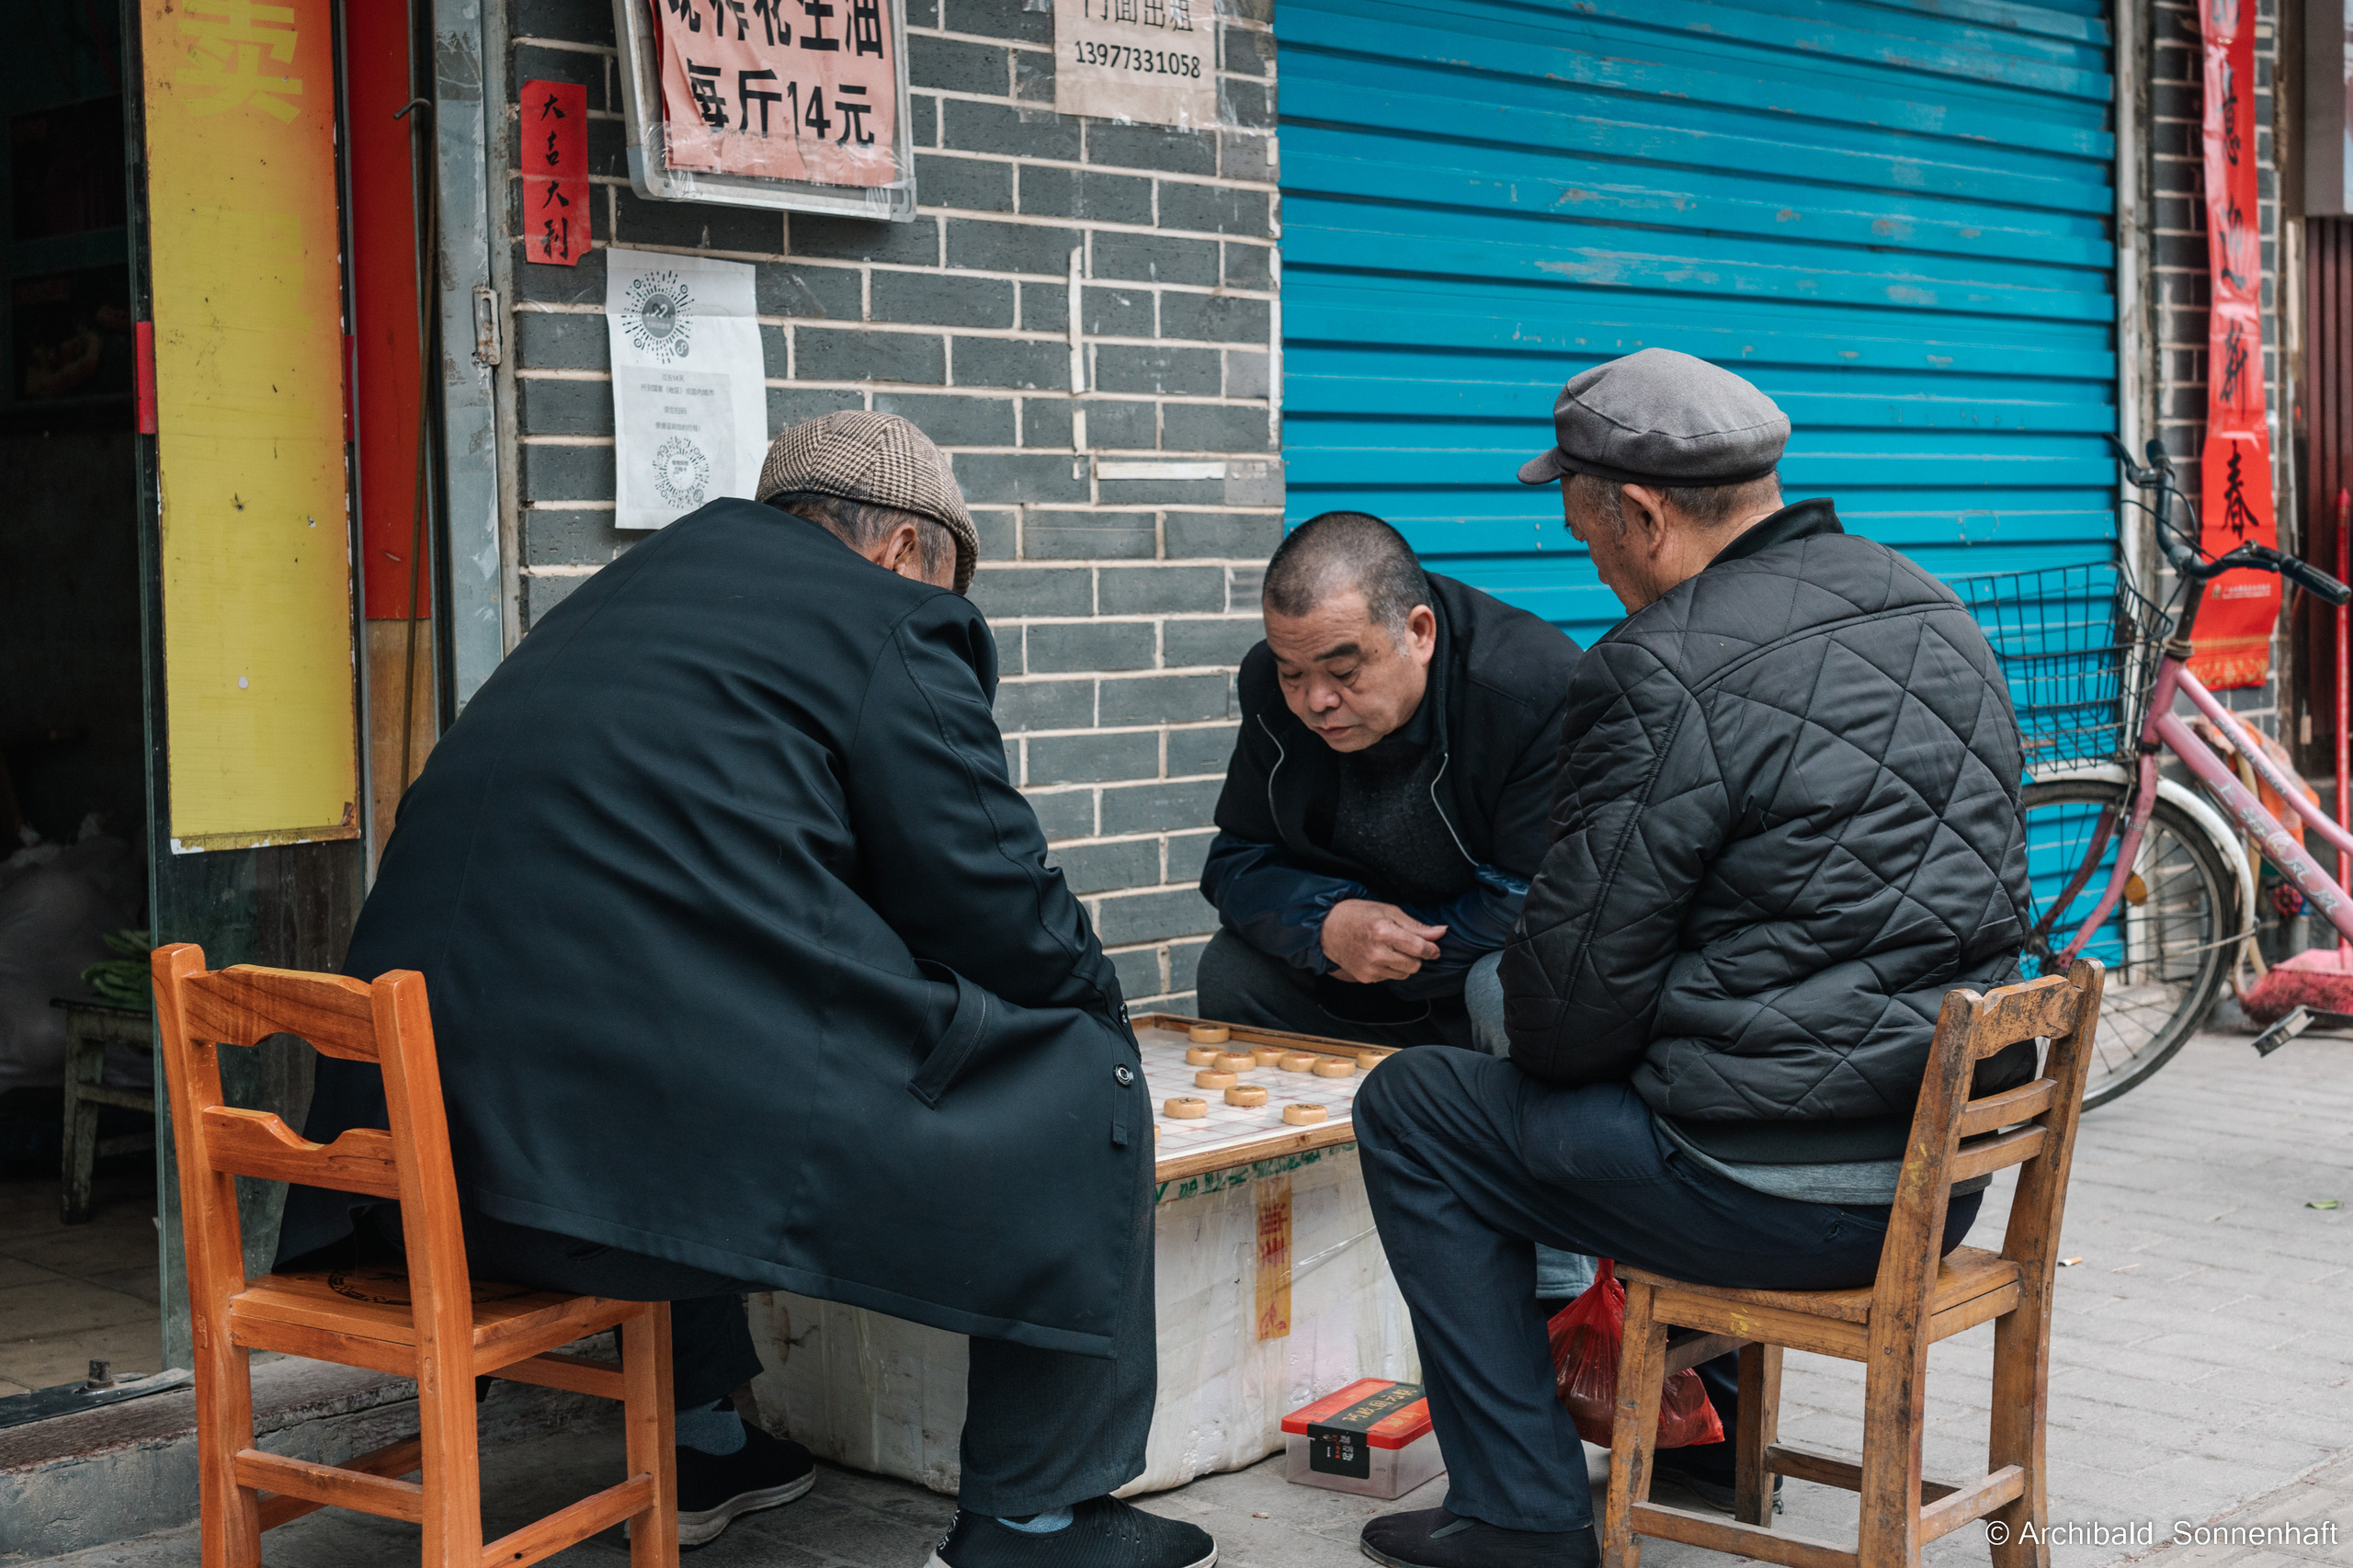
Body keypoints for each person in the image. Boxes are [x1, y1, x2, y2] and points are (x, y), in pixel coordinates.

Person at [277, 413, 1214, 1568]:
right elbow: (990, 893)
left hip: (419, 1177)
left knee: (674, 1038)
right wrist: (1094, 1000)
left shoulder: (616, 600)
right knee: (1083, 1078)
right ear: (910, 551)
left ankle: (709, 1437)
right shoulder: (884, 617)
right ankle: (1037, 1516)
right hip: (584, 1177)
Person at [1347, 349, 2034, 1568]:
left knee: (1419, 1103)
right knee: (1724, 1046)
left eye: (1587, 532)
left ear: (1648, 514)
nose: (1594, 567)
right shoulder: (1934, 605)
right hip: (1949, 1178)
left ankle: (1520, 1510)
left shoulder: (1662, 667)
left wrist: (1515, 992)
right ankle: (1700, 1446)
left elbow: (1566, 1022)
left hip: (1777, 1200)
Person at [1195, 512, 1581, 1057]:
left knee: (1508, 986)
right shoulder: (1270, 684)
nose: (1316, 702)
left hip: (1465, 974)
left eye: (1344, 673)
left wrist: (1388, 954)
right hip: (1345, 973)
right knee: (1231, 969)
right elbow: (1236, 860)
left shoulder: (1532, 689)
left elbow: (1534, 899)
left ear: (1419, 633)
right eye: (1293, 675)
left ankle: (1507, 1138)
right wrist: (1326, 926)